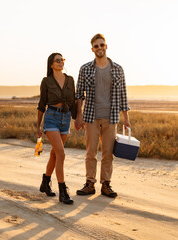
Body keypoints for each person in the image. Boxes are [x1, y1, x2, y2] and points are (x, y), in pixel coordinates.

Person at [74, 34, 131, 198]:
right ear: (92, 49)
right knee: (90, 153)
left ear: (106, 46)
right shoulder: (85, 69)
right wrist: (79, 116)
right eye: (96, 46)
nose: (99, 48)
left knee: (108, 153)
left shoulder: (117, 69)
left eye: (102, 45)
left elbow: (122, 95)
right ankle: (89, 183)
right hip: (91, 117)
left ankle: (106, 184)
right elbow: (79, 95)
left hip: (111, 117)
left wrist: (126, 119)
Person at [37, 53, 75, 205]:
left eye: (62, 60)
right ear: (51, 64)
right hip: (51, 117)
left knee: (54, 154)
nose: (60, 62)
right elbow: (41, 104)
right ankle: (63, 191)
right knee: (61, 153)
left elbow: (74, 99)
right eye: (57, 60)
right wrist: (38, 126)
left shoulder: (70, 80)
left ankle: (45, 182)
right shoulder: (46, 81)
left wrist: (78, 118)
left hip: (65, 118)